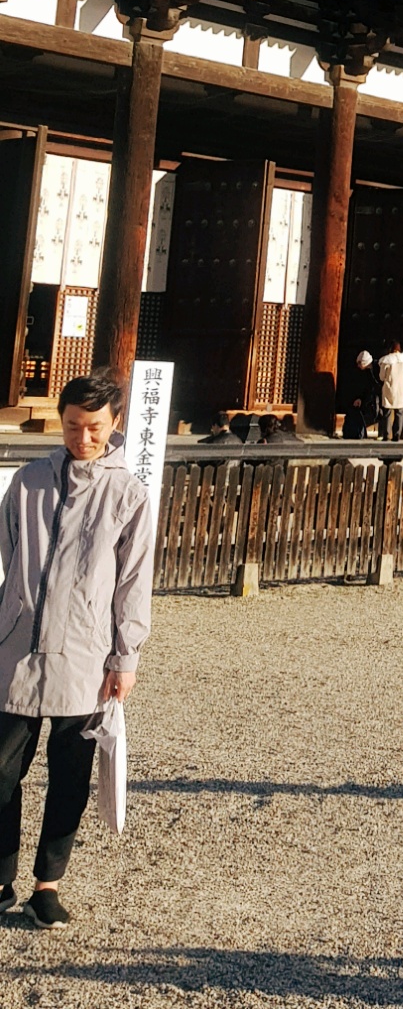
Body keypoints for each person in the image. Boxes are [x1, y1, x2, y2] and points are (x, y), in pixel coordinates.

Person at [0, 372, 152, 929]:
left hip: (86, 651)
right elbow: (10, 551)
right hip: (15, 648)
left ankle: (47, 884)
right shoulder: (29, 480)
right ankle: (0, 878)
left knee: (69, 773)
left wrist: (125, 656)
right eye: (71, 426)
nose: (81, 438)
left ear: (113, 425)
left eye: (93, 428)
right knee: (1, 769)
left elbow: (134, 580)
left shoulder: (127, 493)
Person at [377, 343, 403, 442]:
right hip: (401, 388)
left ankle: (387, 435)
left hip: (390, 387)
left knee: (387, 412)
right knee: (399, 412)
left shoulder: (386, 360)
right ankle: (397, 435)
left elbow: (381, 376)